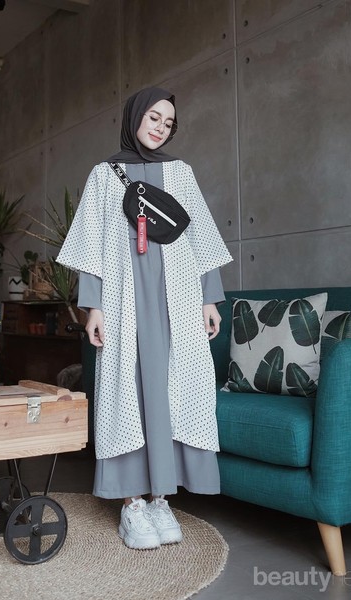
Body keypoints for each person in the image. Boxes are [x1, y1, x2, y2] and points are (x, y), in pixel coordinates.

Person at [57, 87, 233, 550]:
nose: (160, 128)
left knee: (175, 391)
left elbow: (201, 237)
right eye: (154, 117)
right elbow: (91, 245)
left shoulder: (180, 172)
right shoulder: (104, 175)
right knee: (126, 393)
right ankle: (132, 503)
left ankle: (161, 498)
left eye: (168, 122)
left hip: (177, 298)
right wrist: (93, 306)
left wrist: (209, 299)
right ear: (134, 116)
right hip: (122, 300)